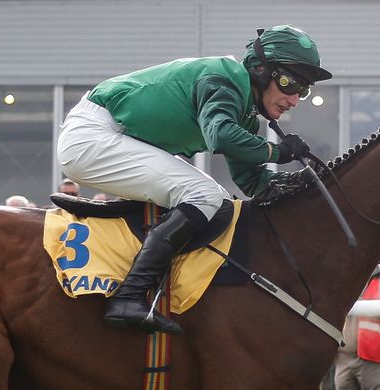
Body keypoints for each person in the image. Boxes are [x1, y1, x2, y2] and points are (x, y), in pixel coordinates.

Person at [57, 24, 331, 334]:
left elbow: (251, 180)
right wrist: (277, 152)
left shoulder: (244, 112)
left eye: (303, 90)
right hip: (93, 135)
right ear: (259, 69)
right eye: (289, 83)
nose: (294, 98)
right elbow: (222, 137)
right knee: (204, 195)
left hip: (114, 137)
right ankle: (129, 296)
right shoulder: (224, 78)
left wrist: (293, 185)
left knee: (216, 197)